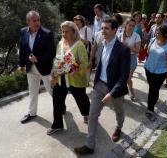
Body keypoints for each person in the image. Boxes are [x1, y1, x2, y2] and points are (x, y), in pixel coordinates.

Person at [74, 18, 131, 155]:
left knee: (119, 111)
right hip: (100, 85)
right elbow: (101, 65)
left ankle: (118, 127)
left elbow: (124, 77)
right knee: (92, 115)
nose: (102, 31)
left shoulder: (123, 49)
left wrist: (111, 94)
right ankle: (89, 145)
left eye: (106, 28)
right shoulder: (101, 44)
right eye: (102, 28)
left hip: (115, 89)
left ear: (114, 30)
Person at [47, 21, 90, 135]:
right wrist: (53, 74)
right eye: (62, 31)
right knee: (57, 102)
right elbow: (56, 60)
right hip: (60, 80)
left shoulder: (79, 45)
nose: (64, 34)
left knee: (82, 100)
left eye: (67, 32)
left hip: (74, 79)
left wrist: (71, 68)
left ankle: (87, 114)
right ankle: (57, 125)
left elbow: (85, 63)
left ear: (73, 32)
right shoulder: (61, 43)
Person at [18, 10, 55, 124]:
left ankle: (60, 106)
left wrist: (37, 58)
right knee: (32, 91)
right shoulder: (23, 31)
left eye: (38, 20)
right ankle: (31, 113)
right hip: (30, 67)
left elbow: (51, 53)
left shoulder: (47, 34)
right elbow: (22, 49)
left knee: (51, 91)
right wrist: (21, 64)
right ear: (28, 21)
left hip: (45, 68)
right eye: (34, 20)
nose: (37, 22)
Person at [144, 25, 167, 121]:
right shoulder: (153, 40)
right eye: (156, 32)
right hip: (149, 68)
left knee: (152, 89)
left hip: (161, 72)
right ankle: (154, 99)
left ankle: (150, 109)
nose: (156, 34)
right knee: (153, 88)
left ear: (164, 35)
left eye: (158, 33)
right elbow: (148, 52)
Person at [118, 18, 141, 101]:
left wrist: (127, 45)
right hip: (121, 58)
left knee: (127, 78)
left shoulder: (136, 36)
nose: (131, 27)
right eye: (129, 25)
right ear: (126, 25)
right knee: (122, 78)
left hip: (132, 58)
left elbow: (137, 50)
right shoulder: (120, 34)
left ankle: (131, 92)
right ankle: (124, 93)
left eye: (133, 26)